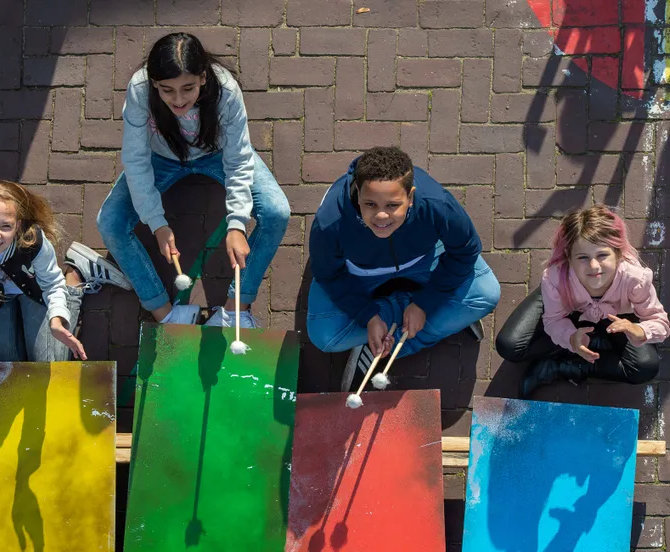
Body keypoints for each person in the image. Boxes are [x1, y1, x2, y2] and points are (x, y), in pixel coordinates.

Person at [96, 32, 289, 327]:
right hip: (161, 159)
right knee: (109, 222)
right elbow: (135, 160)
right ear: (154, 83)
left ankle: (236, 310)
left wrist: (237, 224)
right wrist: (157, 223)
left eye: (188, 88)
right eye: (167, 90)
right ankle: (167, 314)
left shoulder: (226, 91)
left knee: (277, 212)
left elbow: (238, 160)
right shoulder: (139, 89)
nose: (178, 100)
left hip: (217, 154)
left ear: (203, 78)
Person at [307, 146, 501, 391]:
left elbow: (465, 250)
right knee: (324, 336)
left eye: (392, 205)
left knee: (487, 293)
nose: (381, 216)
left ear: (411, 197)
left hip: (425, 259)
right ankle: (441, 314)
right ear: (357, 194)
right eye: (370, 204)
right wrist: (368, 316)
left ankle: (392, 344)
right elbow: (328, 274)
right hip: (359, 273)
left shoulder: (437, 204)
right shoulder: (330, 223)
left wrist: (424, 304)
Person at [0, 179, 121, 373]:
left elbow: (52, 283)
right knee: (2, 370)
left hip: (34, 291)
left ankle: (75, 276)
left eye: (5, 226)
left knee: (48, 366)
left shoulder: (32, 240)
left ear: (17, 226)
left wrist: (56, 317)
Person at [496, 205, 667, 397]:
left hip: (618, 320)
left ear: (618, 253)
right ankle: (593, 343)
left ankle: (565, 366)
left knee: (645, 367)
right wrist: (570, 337)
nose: (594, 266)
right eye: (583, 257)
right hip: (566, 305)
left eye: (602, 255)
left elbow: (660, 322)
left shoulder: (636, 279)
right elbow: (553, 319)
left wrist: (639, 330)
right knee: (509, 346)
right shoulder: (554, 278)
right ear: (568, 257)